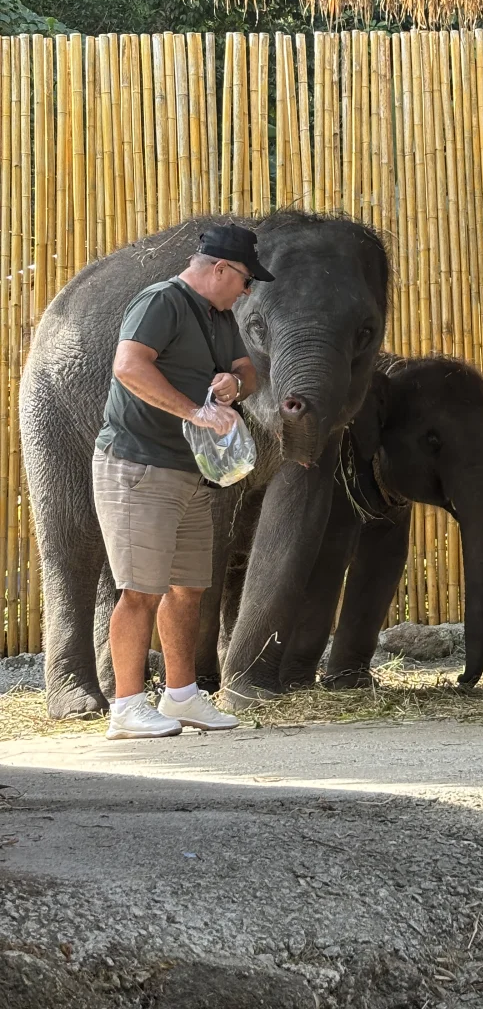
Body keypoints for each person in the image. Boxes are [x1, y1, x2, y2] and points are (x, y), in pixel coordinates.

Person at [95, 224, 271, 740]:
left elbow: (247, 370)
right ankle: (126, 707)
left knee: (188, 588)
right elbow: (128, 367)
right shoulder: (161, 302)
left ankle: (181, 698)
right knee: (139, 592)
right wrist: (197, 411)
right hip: (138, 467)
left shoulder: (219, 316)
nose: (248, 291)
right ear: (220, 269)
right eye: (245, 280)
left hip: (191, 472)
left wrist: (235, 383)